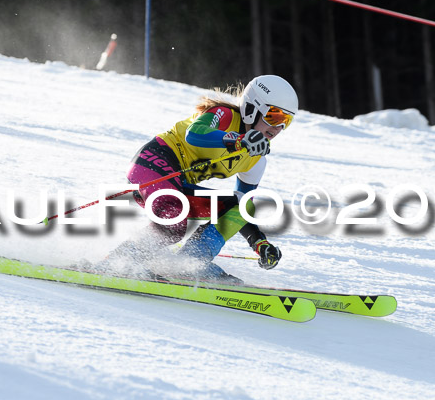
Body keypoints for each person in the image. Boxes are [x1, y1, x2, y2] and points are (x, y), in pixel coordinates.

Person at [106, 74, 298, 283]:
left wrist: (259, 243)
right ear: (253, 108)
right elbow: (194, 133)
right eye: (275, 117)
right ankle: (121, 261)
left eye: (286, 121)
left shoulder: (256, 160)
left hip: (177, 185)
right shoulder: (225, 115)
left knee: (242, 205)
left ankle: (191, 262)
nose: (278, 128)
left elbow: (243, 209)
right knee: (174, 222)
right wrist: (238, 140)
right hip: (152, 164)